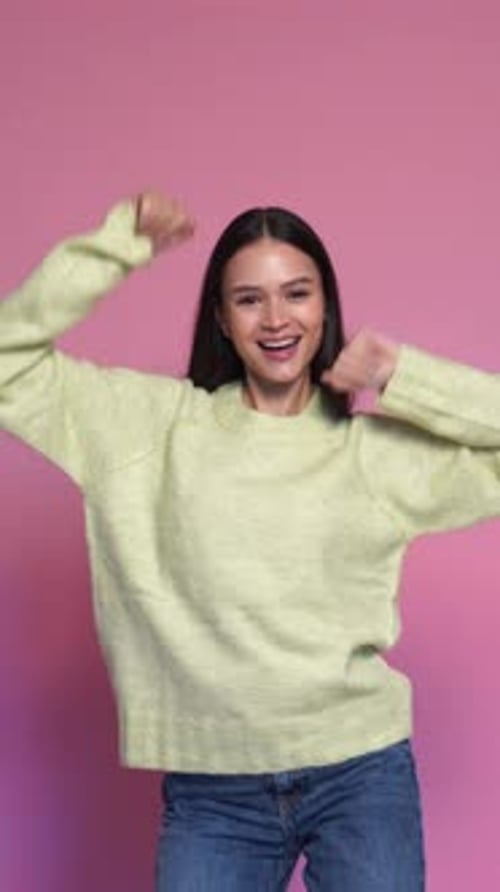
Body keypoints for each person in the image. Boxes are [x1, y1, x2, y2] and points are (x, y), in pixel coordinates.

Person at [1, 190, 500, 892]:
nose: (276, 319)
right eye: (248, 299)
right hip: (213, 792)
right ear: (221, 320)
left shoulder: (372, 455)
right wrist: (117, 247)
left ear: (325, 306)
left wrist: (404, 377)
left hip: (360, 772)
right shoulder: (147, 429)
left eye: (297, 293)